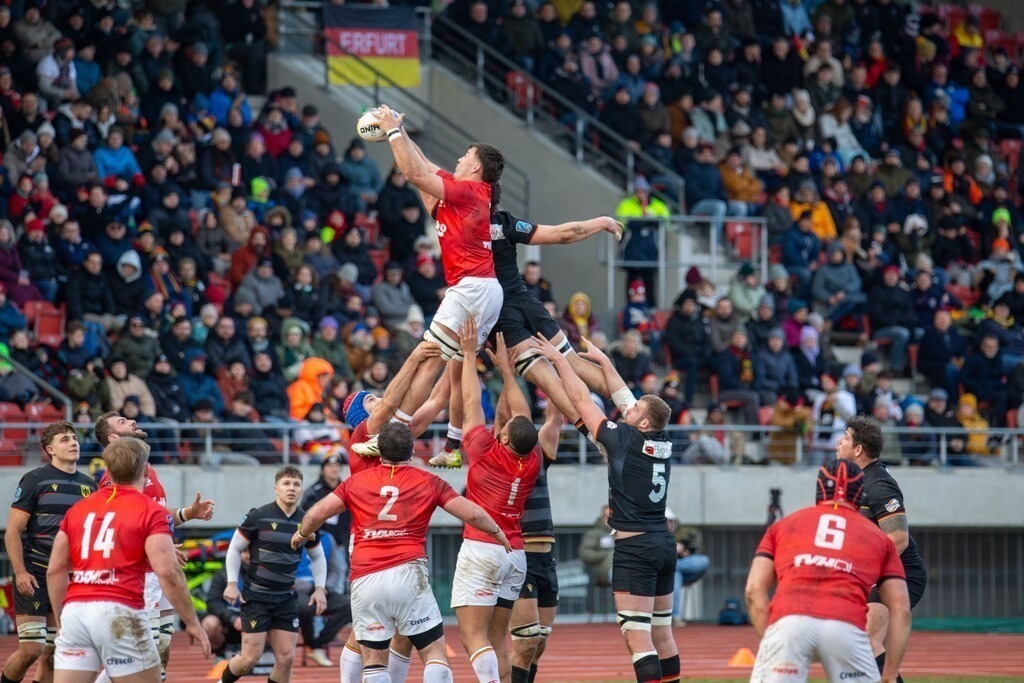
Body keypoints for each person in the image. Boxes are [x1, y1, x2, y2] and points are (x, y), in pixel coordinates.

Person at [291, 422, 512, 683]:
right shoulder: (429, 481)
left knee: (373, 659)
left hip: (366, 577)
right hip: (409, 573)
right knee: (433, 652)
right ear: (410, 452)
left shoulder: (355, 482)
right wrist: (497, 531)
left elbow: (317, 512)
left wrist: (302, 534)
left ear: (379, 451)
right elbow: (472, 512)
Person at [422, 208, 622, 468]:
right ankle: (628, 407)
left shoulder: (458, 222)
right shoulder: (505, 222)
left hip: (493, 308)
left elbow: (423, 178)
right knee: (571, 361)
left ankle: (449, 443)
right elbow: (563, 234)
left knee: (453, 379)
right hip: (524, 299)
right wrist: (601, 221)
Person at [534, 335, 679, 683]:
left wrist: (560, 360)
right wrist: (605, 362)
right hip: (662, 543)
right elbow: (623, 396)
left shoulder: (625, 439)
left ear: (642, 423)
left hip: (636, 547)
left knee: (637, 636)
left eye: (634, 411)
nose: (627, 409)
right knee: (663, 635)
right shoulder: (661, 440)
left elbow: (582, 399)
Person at [367, 105, 504, 466]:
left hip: (471, 287)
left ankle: (389, 434)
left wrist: (393, 134)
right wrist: (399, 130)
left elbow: (413, 172)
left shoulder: (466, 192)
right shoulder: (467, 196)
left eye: (465, 156)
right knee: (453, 373)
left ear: (475, 167)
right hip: (484, 287)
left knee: (427, 359)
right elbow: (424, 165)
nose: (459, 159)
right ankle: (452, 447)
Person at [45, 437, 211, 682]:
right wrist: (192, 621)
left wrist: (61, 621)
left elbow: (55, 570)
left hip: (76, 611)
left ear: (108, 470)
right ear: (145, 470)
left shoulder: (78, 510)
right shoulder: (150, 510)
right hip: (119, 608)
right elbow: (168, 572)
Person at [744, 459, 911, 683]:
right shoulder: (879, 538)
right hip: (846, 627)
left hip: (790, 622)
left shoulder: (784, 525)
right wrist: (890, 673)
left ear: (819, 488)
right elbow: (901, 609)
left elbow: (753, 591)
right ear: (860, 493)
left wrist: (772, 639)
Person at [94, 411, 215, 683]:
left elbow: (154, 514)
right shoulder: (114, 477)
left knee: (159, 648)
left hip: (155, 571)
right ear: (113, 438)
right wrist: (160, 549)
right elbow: (119, 527)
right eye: (123, 422)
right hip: (139, 574)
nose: (132, 421)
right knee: (140, 655)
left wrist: (187, 513)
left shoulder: (147, 468)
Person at [451, 320, 541, 683]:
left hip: (482, 548)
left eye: (501, 429)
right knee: (496, 640)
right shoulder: (531, 459)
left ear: (502, 439)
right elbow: (521, 416)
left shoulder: (486, 453)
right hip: (515, 553)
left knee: (472, 637)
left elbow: (472, 402)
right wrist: (507, 373)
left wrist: (470, 354)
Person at [3, 422, 97, 683]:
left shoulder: (90, 486)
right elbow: (13, 531)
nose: (74, 442)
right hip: (34, 573)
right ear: (50, 449)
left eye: (75, 438)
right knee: (31, 650)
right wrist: (20, 572)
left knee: (56, 652)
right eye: (65, 439)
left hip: (68, 580)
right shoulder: (34, 479)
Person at [836, 418, 928, 681]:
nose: (838, 441)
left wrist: (864, 575)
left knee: (866, 639)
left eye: (845, 436)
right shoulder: (851, 481)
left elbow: (898, 539)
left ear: (858, 449)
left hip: (899, 576)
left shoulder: (879, 484)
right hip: (876, 576)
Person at [217, 466, 327, 683]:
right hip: (257, 597)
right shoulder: (259, 516)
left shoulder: (307, 521)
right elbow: (234, 548)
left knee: (286, 659)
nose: (291, 488)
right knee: (249, 659)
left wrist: (320, 589)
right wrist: (231, 583)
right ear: (276, 488)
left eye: (296, 484)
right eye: (286, 483)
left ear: (302, 490)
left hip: (286, 598)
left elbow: (318, 557)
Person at [510, 400, 563, 683]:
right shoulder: (501, 459)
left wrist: (553, 364)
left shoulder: (539, 456)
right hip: (522, 558)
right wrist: (507, 373)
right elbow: (513, 415)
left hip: (547, 558)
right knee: (525, 644)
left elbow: (555, 416)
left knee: (539, 645)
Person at [300, 455, 350, 595]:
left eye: (337, 466)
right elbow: (307, 516)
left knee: (341, 578)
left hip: (343, 544)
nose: (334, 469)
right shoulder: (313, 492)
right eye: (330, 466)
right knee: (318, 578)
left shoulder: (348, 489)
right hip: (321, 543)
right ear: (323, 469)